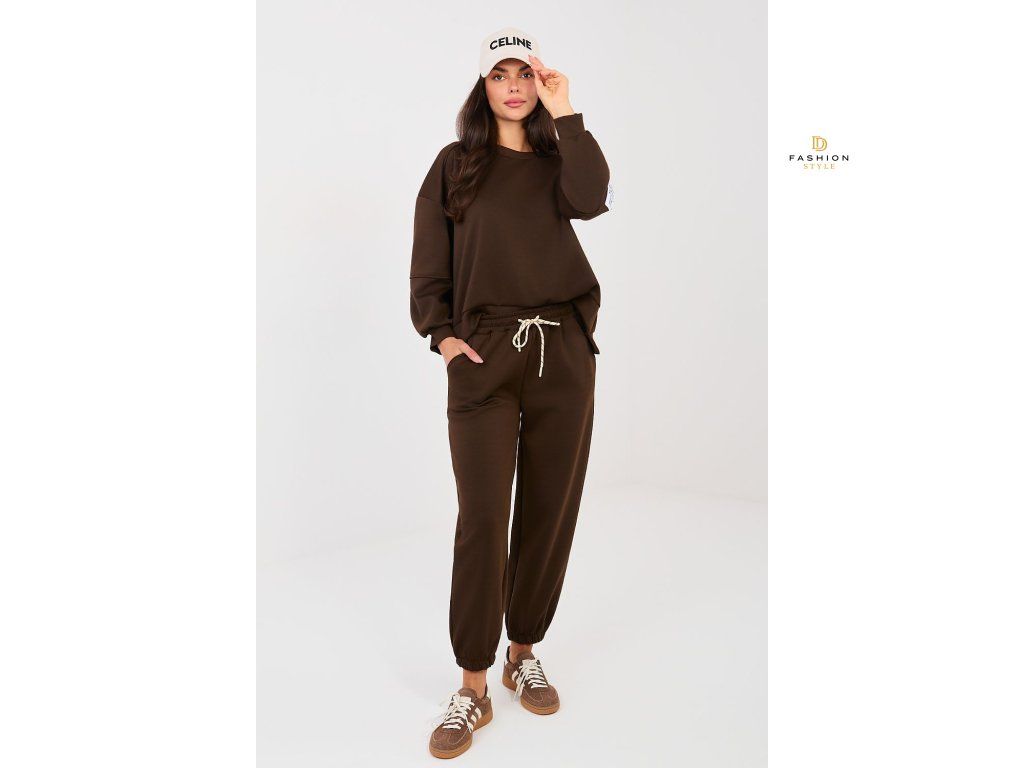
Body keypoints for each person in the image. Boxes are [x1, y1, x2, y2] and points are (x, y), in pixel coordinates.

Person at [410, 26, 612, 759]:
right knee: (484, 518)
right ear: (483, 87)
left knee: (549, 509)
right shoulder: (454, 165)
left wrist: (568, 112)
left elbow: (592, 199)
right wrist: (442, 335)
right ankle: (472, 685)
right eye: (500, 74)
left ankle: (522, 650)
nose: (514, 86)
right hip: (484, 354)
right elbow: (429, 259)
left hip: (561, 349)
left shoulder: (561, 160)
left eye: (525, 73)